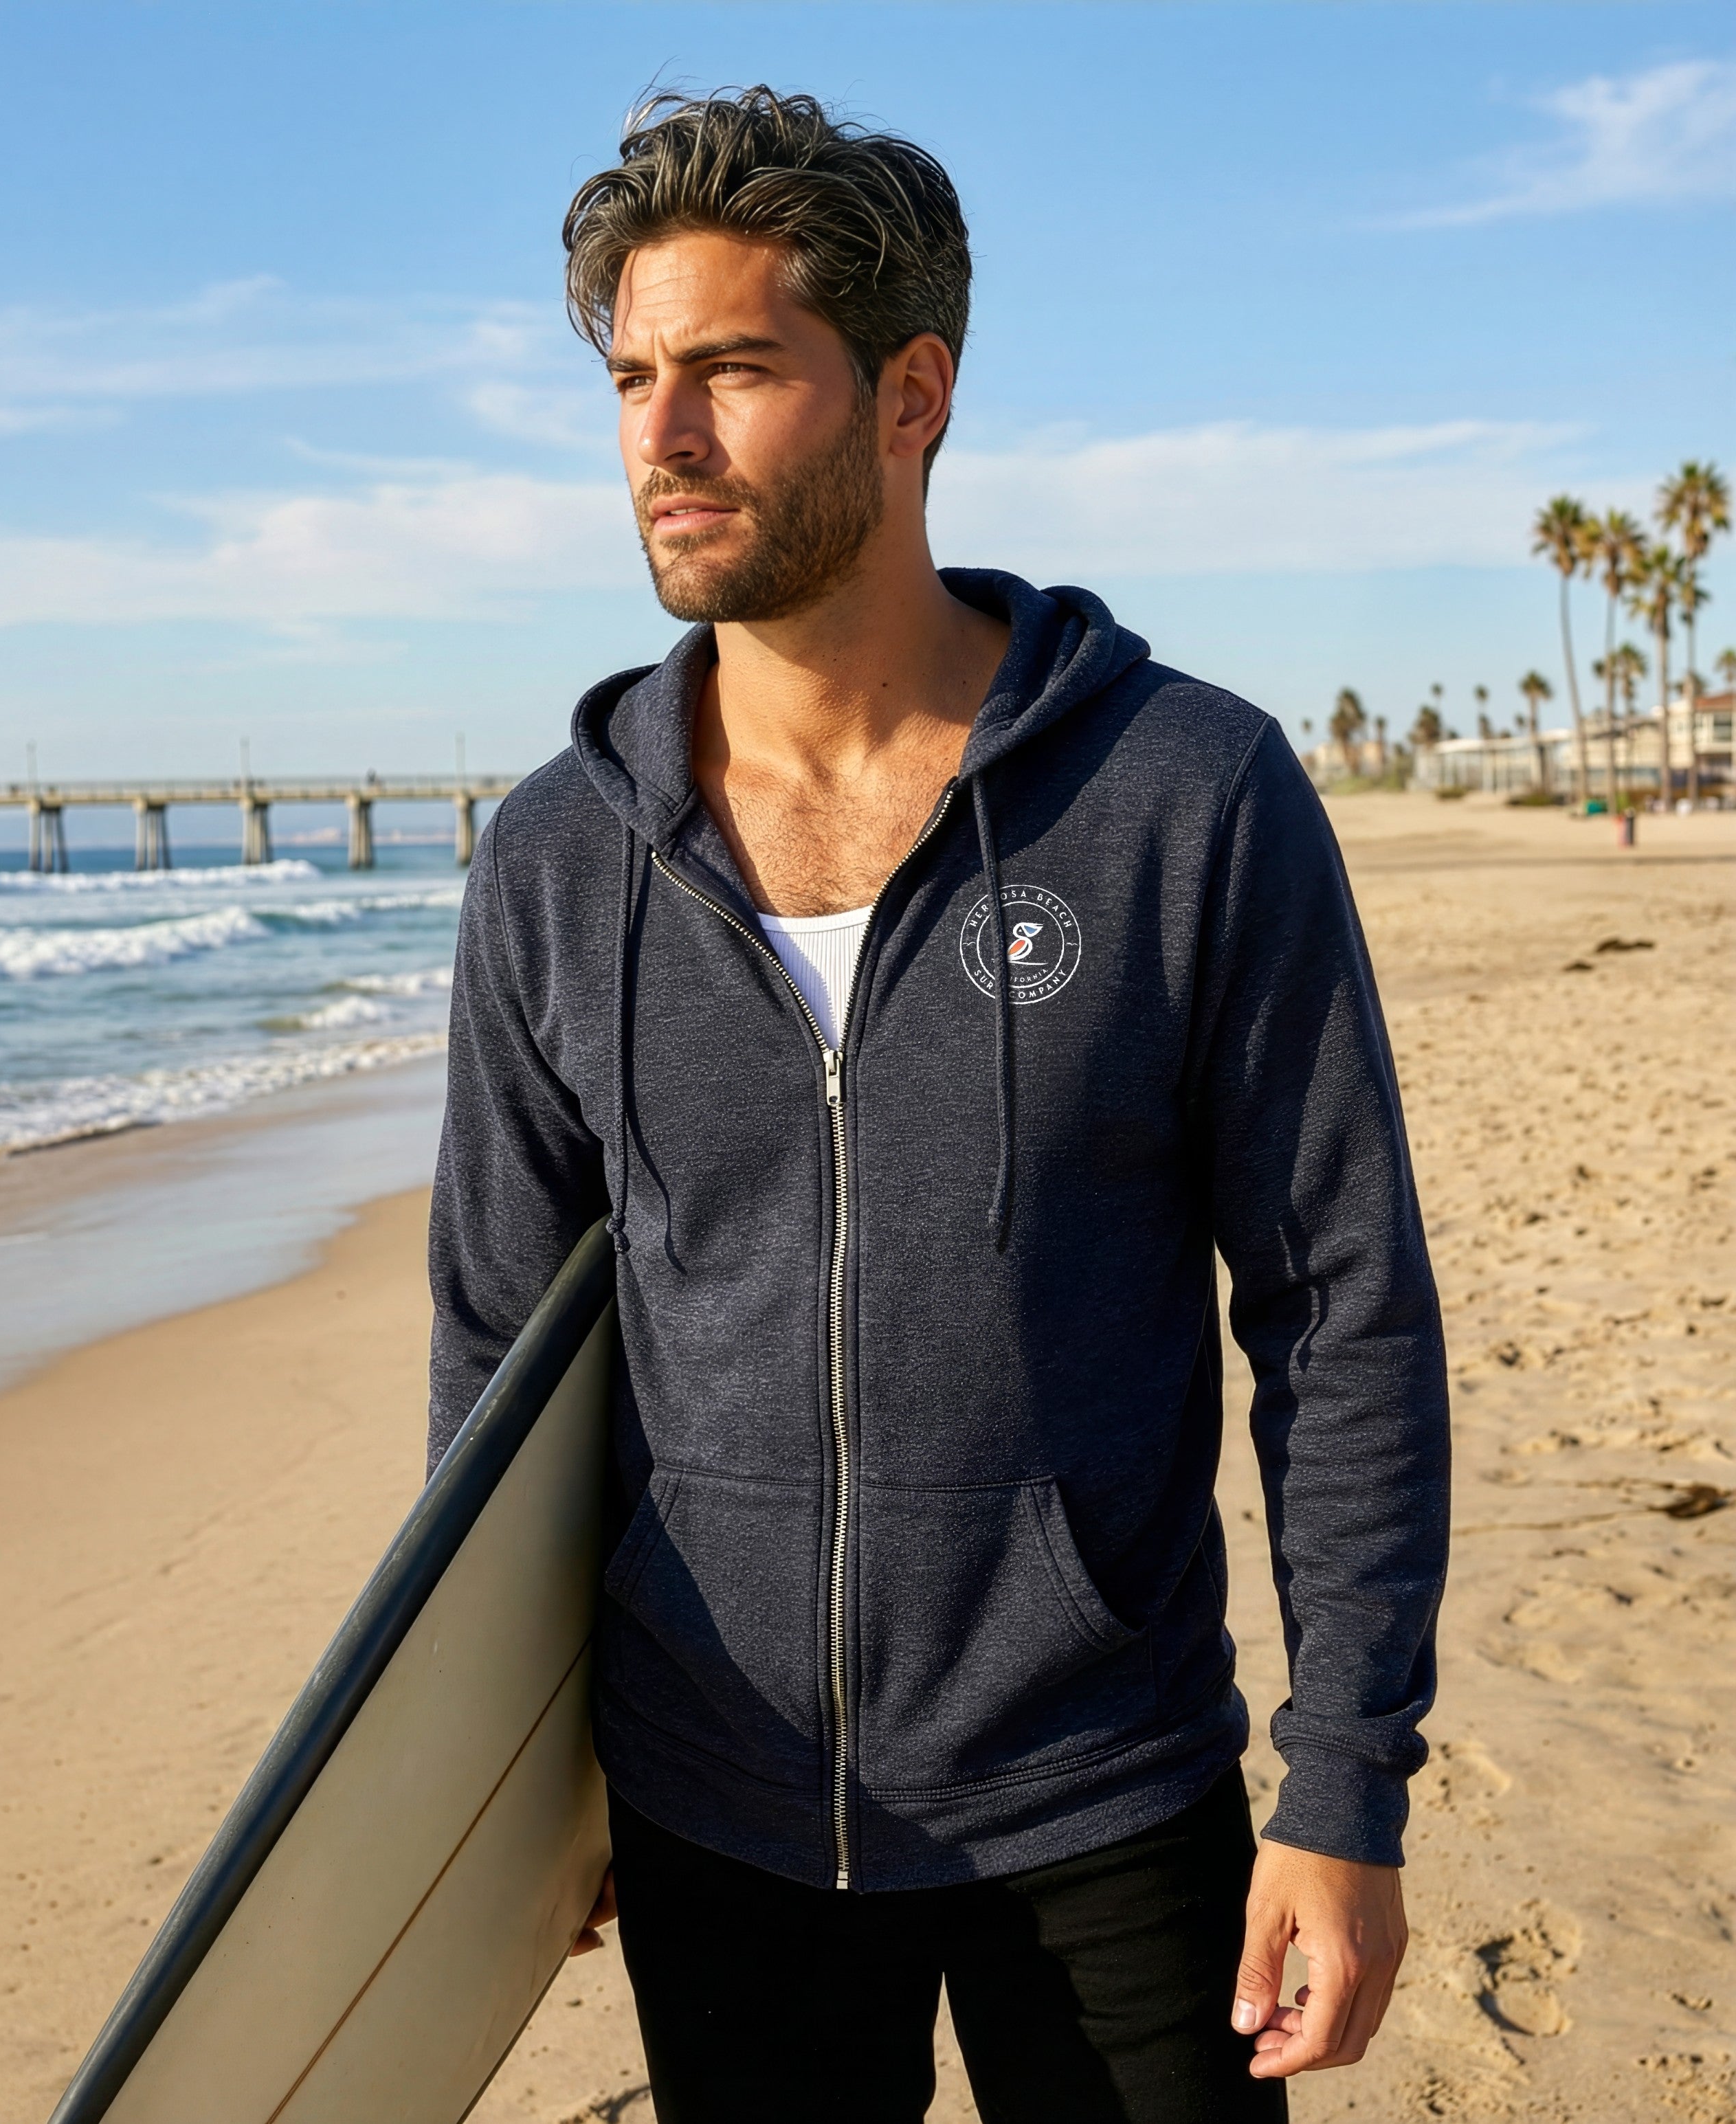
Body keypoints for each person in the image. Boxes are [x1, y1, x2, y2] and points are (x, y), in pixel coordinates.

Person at [428, 87, 1449, 2124]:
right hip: (709, 1804)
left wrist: (1343, 1786)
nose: (663, 436)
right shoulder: (558, 859)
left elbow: (1342, 1310)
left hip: (1107, 1786)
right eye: (634, 377)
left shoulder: (1183, 798)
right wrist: (510, 1786)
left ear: (913, 394)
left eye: (732, 368)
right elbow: (498, 1365)